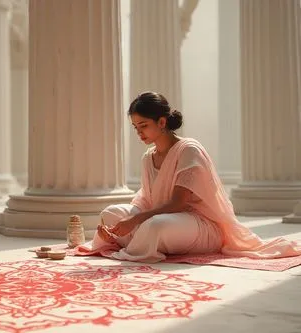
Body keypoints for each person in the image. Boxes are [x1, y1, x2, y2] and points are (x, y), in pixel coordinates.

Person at [81, 91, 301, 263]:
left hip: (200, 225)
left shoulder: (189, 150)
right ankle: (128, 241)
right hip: (167, 220)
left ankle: (132, 245)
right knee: (110, 213)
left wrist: (136, 220)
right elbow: (147, 199)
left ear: (162, 122)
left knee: (154, 226)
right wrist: (121, 224)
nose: (139, 133)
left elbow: (179, 202)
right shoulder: (148, 157)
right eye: (135, 127)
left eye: (144, 126)